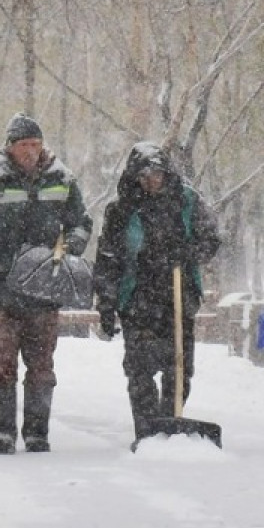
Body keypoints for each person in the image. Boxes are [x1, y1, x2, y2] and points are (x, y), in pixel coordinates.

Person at [0, 112, 93, 454]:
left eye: (35, 144)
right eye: (23, 145)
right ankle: (3, 432)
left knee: (42, 365)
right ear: (10, 147)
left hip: (45, 291)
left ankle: (36, 433)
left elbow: (81, 222)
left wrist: (70, 249)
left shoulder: (61, 178)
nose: (31, 151)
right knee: (1, 364)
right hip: (1, 291)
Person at [93, 142, 222, 442]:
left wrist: (187, 252)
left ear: (167, 173)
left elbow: (211, 239)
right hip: (137, 297)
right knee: (139, 367)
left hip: (178, 296)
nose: (152, 181)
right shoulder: (121, 211)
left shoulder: (187, 201)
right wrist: (107, 303)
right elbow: (108, 258)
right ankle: (148, 425)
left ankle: (170, 420)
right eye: (145, 175)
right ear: (134, 177)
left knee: (178, 364)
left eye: (157, 174)